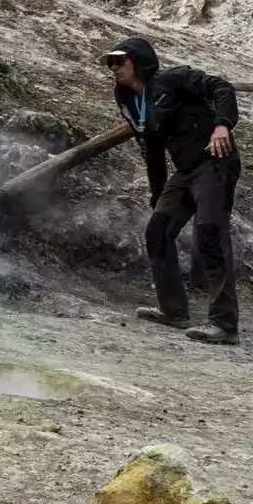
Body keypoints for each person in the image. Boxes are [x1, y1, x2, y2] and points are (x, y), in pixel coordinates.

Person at [100, 37, 242, 345]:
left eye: (119, 61)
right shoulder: (125, 97)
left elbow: (222, 87)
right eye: (110, 63)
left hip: (214, 160)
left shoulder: (172, 79)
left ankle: (225, 325)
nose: (114, 68)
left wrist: (222, 125)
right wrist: (157, 193)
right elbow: (150, 148)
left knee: (209, 231)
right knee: (158, 230)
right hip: (185, 171)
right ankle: (174, 311)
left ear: (138, 61)